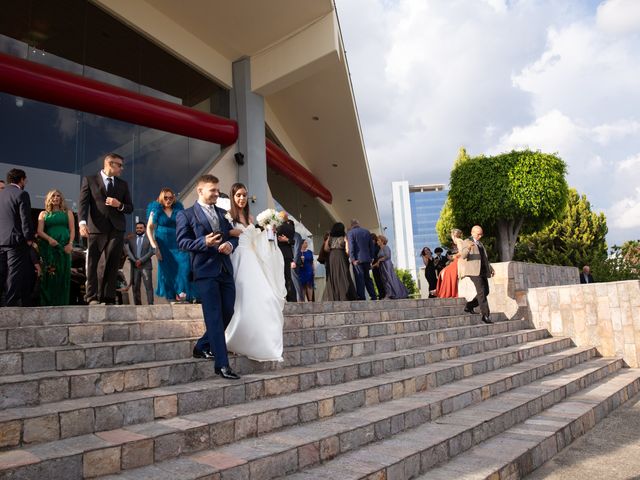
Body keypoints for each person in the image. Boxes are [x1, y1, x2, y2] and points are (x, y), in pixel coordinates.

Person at [176, 174, 240, 380]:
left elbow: (232, 236)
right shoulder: (185, 215)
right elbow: (183, 243)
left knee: (228, 311)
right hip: (204, 272)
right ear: (200, 191)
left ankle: (201, 345)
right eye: (212, 190)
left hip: (225, 270)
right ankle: (222, 365)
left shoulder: (223, 214)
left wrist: (230, 244)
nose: (216, 193)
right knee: (213, 317)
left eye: (217, 190)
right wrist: (204, 242)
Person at [225, 183, 286, 361]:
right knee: (241, 298)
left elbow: (255, 239)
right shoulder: (228, 215)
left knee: (265, 297)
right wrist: (232, 232)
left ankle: (257, 339)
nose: (242, 198)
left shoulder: (250, 217)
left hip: (252, 258)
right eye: (238, 195)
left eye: (244, 195)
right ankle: (234, 338)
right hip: (237, 257)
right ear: (233, 196)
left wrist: (269, 231)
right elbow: (224, 232)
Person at [78, 153, 133, 305]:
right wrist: (82, 223)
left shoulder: (123, 184)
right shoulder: (89, 180)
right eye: (119, 165)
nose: (122, 168)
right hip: (95, 228)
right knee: (93, 263)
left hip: (117, 229)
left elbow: (130, 208)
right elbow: (83, 204)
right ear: (110, 164)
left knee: (112, 263)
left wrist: (119, 205)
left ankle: (108, 297)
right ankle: (92, 297)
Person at [146, 188, 194, 303]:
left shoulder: (179, 209)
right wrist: (154, 246)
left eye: (171, 198)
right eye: (166, 198)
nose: (168, 200)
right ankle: (171, 296)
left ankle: (182, 293)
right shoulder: (156, 209)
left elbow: (185, 225)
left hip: (178, 243)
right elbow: (149, 228)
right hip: (163, 245)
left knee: (185, 267)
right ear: (161, 198)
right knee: (167, 271)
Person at [0, 169, 36, 307]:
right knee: (14, 272)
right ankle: (10, 304)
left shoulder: (1, 194)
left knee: (1, 271)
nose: (26, 182)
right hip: (16, 241)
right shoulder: (22, 194)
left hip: (1, 240)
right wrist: (29, 238)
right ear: (21, 179)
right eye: (25, 179)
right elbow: (25, 219)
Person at [36, 189, 75, 306]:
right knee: (50, 274)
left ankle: (62, 303)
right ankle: (48, 303)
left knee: (63, 274)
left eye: (58, 196)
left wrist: (71, 244)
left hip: (65, 248)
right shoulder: (43, 214)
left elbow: (73, 230)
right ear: (49, 199)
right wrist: (49, 239)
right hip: (50, 249)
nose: (56, 198)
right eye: (53, 196)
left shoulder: (68, 212)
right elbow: (39, 231)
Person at [459, 225, 494, 324]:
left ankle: (469, 306)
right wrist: (468, 248)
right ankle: (485, 315)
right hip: (474, 271)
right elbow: (463, 255)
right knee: (481, 292)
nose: (480, 236)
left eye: (481, 234)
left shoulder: (480, 243)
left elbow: (484, 258)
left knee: (486, 291)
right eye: (478, 234)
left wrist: (490, 268)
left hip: (483, 270)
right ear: (472, 232)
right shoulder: (467, 241)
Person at [322, 222, 357, 301]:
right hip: (341, 256)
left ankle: (334, 296)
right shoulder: (344, 237)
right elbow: (347, 251)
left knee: (333, 276)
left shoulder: (330, 237)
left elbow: (326, 249)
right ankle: (345, 295)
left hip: (332, 257)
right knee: (344, 275)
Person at [124, 222, 155, 305]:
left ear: (144, 229)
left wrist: (141, 260)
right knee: (135, 287)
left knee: (148, 287)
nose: (139, 229)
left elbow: (152, 251)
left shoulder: (150, 238)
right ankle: (137, 305)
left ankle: (150, 304)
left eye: (141, 228)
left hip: (146, 266)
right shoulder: (131, 239)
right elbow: (127, 250)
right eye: (137, 228)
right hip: (135, 267)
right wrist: (135, 261)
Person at [347, 219, 377, 300]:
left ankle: (362, 297)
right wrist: (371, 257)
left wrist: (352, 259)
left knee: (360, 278)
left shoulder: (350, 233)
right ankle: (373, 296)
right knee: (367, 278)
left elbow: (351, 246)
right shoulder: (366, 231)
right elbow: (371, 246)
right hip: (367, 259)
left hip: (357, 260)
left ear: (351, 225)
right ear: (358, 224)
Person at [373, 235, 408, 299]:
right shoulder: (380, 249)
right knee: (385, 280)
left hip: (387, 265)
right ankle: (390, 293)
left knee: (389, 279)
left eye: (378, 240)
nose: (377, 241)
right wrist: (374, 265)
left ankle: (391, 294)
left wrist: (379, 260)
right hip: (382, 266)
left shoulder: (386, 247)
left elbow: (388, 256)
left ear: (382, 241)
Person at [436, 229, 464, 299]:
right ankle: (441, 291)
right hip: (457, 261)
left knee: (446, 272)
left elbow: (461, 253)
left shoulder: (458, 241)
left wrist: (453, 257)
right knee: (443, 272)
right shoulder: (460, 240)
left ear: (453, 235)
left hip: (458, 261)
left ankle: (446, 291)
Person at [276, 213, 297, 301]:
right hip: (286, 254)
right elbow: (293, 241)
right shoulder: (290, 227)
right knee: (286, 276)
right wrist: (287, 240)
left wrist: (286, 240)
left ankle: (290, 297)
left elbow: (292, 241)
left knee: (284, 276)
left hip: (281, 253)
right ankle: (290, 297)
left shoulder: (279, 228)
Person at [371, 233, 386, 300]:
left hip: (376, 266)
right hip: (377, 265)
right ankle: (382, 294)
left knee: (378, 280)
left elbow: (375, 257)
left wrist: (372, 265)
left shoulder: (375, 247)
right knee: (379, 280)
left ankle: (382, 294)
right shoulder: (377, 247)